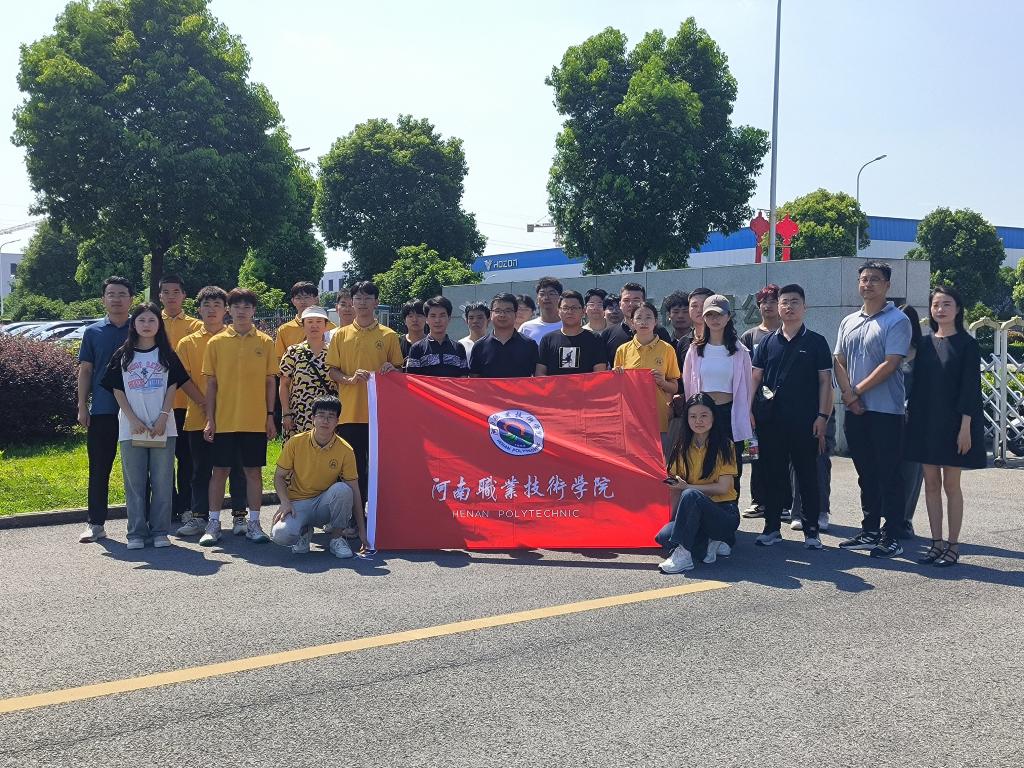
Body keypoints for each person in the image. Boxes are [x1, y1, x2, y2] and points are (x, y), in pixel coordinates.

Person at [834, 260, 913, 559]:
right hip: (855, 410)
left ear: (887, 285)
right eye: (864, 279)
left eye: (875, 279)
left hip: (886, 411)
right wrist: (848, 396)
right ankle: (869, 530)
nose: (868, 284)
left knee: (889, 474)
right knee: (866, 473)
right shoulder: (848, 321)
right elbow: (839, 360)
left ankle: (892, 534)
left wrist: (856, 392)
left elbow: (891, 364)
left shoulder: (897, 320)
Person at [905, 286, 985, 567]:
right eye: (936, 304)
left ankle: (953, 545)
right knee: (930, 484)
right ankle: (936, 543)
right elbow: (917, 386)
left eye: (946, 304)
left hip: (955, 424)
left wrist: (965, 427)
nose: (940, 309)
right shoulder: (924, 344)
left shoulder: (967, 344)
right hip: (926, 422)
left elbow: (970, 389)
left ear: (958, 309)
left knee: (951, 484)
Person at [750, 284, 834, 548]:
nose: (788, 307)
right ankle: (772, 527)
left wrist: (823, 416)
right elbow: (755, 377)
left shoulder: (817, 342)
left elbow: (825, 382)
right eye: (784, 302)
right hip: (771, 422)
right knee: (773, 475)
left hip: (806, 422)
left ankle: (811, 531)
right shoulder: (767, 342)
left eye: (794, 302)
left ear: (804, 307)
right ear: (778, 307)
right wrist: (748, 410)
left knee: (807, 476)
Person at [101, 303, 189, 549]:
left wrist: (163, 417)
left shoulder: (167, 354)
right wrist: (133, 419)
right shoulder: (123, 354)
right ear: (134, 324)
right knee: (135, 483)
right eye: (141, 320)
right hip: (131, 429)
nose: (147, 325)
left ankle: (160, 531)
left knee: (162, 481)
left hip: (163, 427)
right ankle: (136, 533)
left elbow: (172, 386)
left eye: (152, 320)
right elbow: (117, 389)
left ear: (159, 324)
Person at [200, 287, 280, 546]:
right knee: (219, 471)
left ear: (254, 310)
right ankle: (213, 523)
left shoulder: (265, 342)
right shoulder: (216, 342)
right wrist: (210, 418)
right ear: (229, 310)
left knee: (253, 472)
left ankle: (254, 523)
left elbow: (270, 382)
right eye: (236, 306)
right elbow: (211, 384)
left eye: (247, 306)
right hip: (224, 420)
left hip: (255, 421)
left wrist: (270, 416)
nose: (242, 311)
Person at [174, 286, 249, 538]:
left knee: (237, 468)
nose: (212, 310)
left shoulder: (235, 338)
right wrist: (205, 402)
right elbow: (182, 378)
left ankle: (240, 516)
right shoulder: (187, 342)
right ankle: (199, 517)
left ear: (226, 309)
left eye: (217, 305)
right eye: (206, 305)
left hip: (232, 416)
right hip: (198, 415)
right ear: (198, 309)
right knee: (200, 470)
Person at [326, 281, 403, 517]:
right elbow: (332, 370)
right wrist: (349, 379)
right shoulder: (340, 335)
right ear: (351, 302)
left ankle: (382, 516)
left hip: (380, 414)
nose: (362, 303)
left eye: (368, 298)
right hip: (350, 413)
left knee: (381, 467)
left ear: (376, 302)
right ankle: (355, 517)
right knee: (354, 468)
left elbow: (399, 371)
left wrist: (392, 370)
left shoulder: (389, 335)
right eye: (358, 298)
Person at [271, 396, 369, 558]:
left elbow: (355, 490)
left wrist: (363, 531)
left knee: (344, 490)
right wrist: (285, 502)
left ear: (337, 421)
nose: (325, 420)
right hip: (298, 503)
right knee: (280, 535)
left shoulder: (345, 450)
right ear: (312, 418)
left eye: (331, 416)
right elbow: (279, 476)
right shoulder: (295, 442)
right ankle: (304, 531)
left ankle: (337, 538)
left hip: (325, 505)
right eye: (321, 415)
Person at [657, 393, 740, 573]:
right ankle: (710, 544)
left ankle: (685, 555)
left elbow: (724, 487)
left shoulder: (725, 446)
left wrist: (688, 487)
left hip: (723, 512)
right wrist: (675, 522)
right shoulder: (681, 448)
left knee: (690, 495)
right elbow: (675, 488)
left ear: (713, 417)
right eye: (693, 416)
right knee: (664, 537)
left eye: (704, 415)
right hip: (694, 514)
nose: (698, 421)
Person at [77, 276, 133, 544]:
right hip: (102, 409)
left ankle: (144, 523)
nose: (116, 299)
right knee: (99, 469)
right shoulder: (93, 332)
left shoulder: (142, 327)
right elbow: (86, 370)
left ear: (131, 299)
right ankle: (96, 523)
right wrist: (82, 405)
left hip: (138, 412)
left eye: (122, 294)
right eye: (111, 294)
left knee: (140, 471)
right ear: (103, 299)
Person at [682, 295, 753, 491]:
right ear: (703, 318)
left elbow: (747, 387)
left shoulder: (740, 351)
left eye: (719, 314)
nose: (714, 319)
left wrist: (748, 413)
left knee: (731, 462)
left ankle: (731, 506)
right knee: (703, 461)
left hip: (729, 413)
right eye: (710, 315)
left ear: (728, 317)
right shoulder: (695, 350)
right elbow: (688, 384)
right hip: (703, 413)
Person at [158, 275, 202, 521]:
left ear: (184, 295)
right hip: (159, 403)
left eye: (176, 291)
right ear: (159, 296)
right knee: (162, 461)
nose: (171, 296)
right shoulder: (152, 323)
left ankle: (186, 506)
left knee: (187, 459)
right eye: (166, 292)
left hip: (188, 403)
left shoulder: (196, 326)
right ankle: (167, 506)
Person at [613, 301, 680, 448]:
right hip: (632, 418)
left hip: (658, 417)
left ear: (656, 321)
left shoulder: (667, 349)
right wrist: (616, 377)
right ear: (632, 322)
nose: (643, 322)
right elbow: (616, 390)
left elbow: (674, 387)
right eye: (639, 318)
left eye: (648, 317)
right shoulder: (622, 350)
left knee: (661, 459)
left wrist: (662, 382)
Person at [740, 284, 782, 519]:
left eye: (773, 301)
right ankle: (759, 501)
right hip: (757, 405)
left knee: (782, 455)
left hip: (782, 405)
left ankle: (784, 503)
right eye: (764, 302)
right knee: (756, 454)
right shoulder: (750, 336)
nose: (768, 306)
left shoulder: (787, 334)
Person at [280, 306, 337, 439]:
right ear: (303, 325)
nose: (314, 326)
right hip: (298, 415)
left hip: (327, 416)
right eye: (310, 322)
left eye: (319, 322)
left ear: (325, 325)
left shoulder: (334, 351)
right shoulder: (293, 352)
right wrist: (286, 413)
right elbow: (284, 384)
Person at [536, 291, 608, 376]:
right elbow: (540, 373)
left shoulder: (595, 339)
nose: (570, 312)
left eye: (574, 308)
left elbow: (599, 374)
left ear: (583, 311)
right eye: (565, 308)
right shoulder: (548, 339)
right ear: (558, 311)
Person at [898, 304, 924, 537]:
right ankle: (887, 516)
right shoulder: (888, 349)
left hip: (916, 419)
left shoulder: (924, 352)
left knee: (912, 471)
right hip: (889, 416)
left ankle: (905, 519)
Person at [468, 293, 539, 378]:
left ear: (515, 314)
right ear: (491, 314)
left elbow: (537, 379)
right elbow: (474, 380)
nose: (502, 315)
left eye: (508, 311)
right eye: (497, 311)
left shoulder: (529, 344)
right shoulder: (479, 346)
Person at [600, 282, 672, 364]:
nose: (631, 304)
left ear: (644, 302)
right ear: (620, 304)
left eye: (636, 300)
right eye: (626, 300)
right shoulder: (608, 334)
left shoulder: (659, 331)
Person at [405, 295, 470, 376]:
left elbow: (463, 379)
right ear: (426, 319)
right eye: (433, 316)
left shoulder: (459, 348)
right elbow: (412, 379)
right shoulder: (417, 348)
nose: (437, 320)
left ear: (449, 318)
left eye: (442, 315)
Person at [275, 281, 337, 361]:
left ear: (316, 299)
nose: (303, 301)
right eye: (298, 298)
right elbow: (279, 359)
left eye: (307, 297)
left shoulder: (330, 327)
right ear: (293, 301)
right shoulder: (284, 330)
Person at [519, 277, 563, 342]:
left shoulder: (568, 326)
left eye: (551, 294)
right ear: (537, 299)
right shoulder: (526, 328)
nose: (546, 297)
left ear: (560, 298)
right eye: (542, 294)